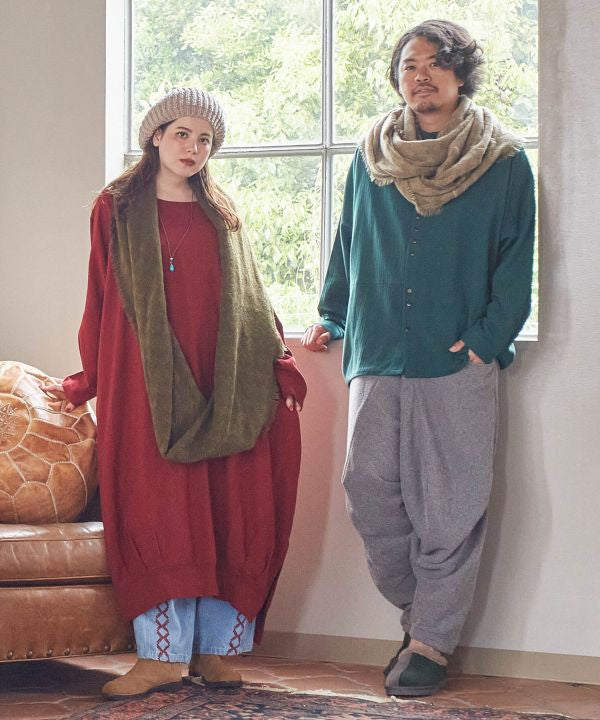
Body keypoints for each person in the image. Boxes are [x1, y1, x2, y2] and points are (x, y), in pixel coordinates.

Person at [46, 87, 307, 700]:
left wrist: (280, 364)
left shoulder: (223, 211)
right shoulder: (115, 208)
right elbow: (100, 295)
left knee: (228, 507)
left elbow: (252, 296)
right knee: (158, 507)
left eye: (206, 139)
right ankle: (160, 655)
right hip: (143, 379)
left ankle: (215, 651)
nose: (193, 148)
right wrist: (89, 378)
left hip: (227, 379)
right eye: (182, 133)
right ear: (156, 136)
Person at [302, 20, 535, 697]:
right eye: (409, 64)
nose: (421, 75)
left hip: (457, 357)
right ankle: (424, 616)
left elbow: (516, 259)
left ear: (461, 73)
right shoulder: (371, 155)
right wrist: (333, 313)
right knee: (368, 493)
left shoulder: (503, 162)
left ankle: (430, 643)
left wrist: (488, 338)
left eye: (436, 63)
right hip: (377, 349)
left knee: (452, 506)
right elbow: (349, 238)